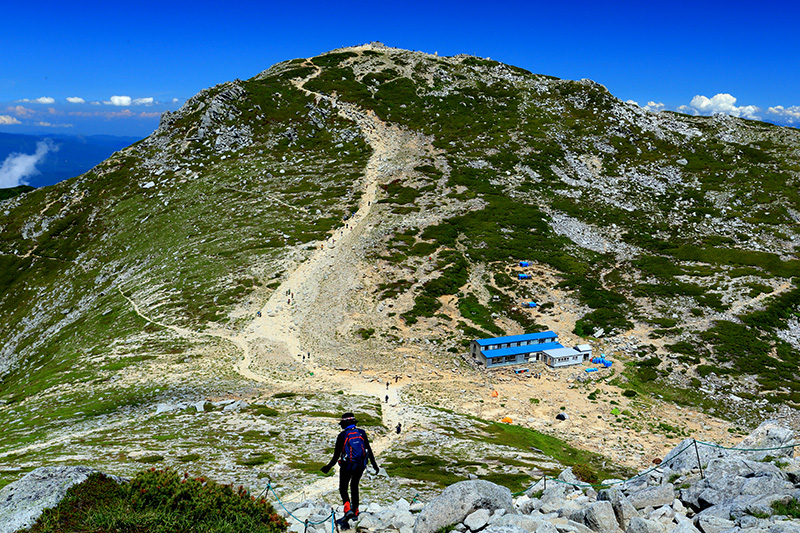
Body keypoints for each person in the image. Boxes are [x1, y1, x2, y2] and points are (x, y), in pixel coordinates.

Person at [321, 413, 379, 524]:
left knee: (343, 487)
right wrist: (374, 465)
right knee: (354, 485)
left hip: (347, 466)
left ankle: (347, 508)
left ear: (344, 424)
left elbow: (336, 456)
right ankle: (356, 511)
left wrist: (328, 467)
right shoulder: (361, 433)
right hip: (360, 465)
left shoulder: (342, 436)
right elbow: (369, 450)